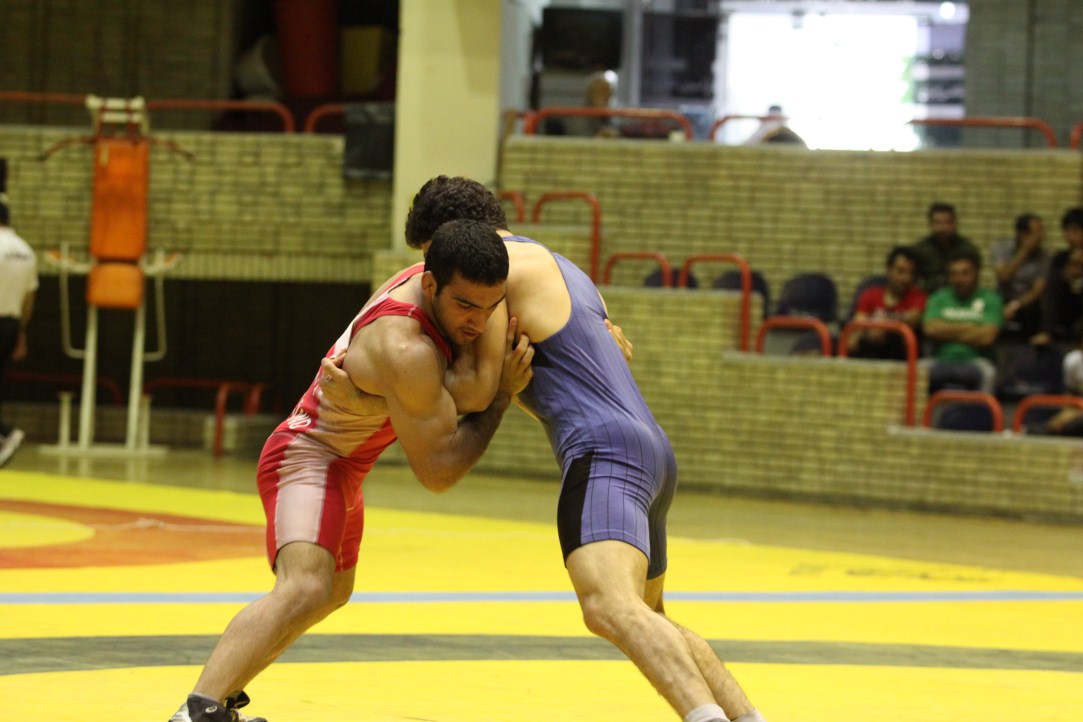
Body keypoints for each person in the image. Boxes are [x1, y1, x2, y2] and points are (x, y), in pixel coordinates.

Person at [387, 175, 765, 722]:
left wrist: (389, 376)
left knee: (607, 605)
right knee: (650, 618)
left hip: (604, 452)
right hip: (652, 453)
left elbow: (476, 389)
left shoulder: (502, 275)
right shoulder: (566, 270)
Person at [167, 219, 535, 722]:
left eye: (491, 308)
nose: (479, 322)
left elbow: (461, 389)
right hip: (309, 456)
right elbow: (439, 472)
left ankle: (222, 701)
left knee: (331, 594)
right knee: (304, 586)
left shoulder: (435, 287)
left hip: (345, 467)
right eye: (466, 306)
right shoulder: (405, 346)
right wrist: (502, 398)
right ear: (431, 285)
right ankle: (196, 711)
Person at [922, 249, 1004, 394]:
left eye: (965, 273)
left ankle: (982, 409)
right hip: (940, 360)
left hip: (977, 361)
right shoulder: (938, 298)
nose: (959, 279)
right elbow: (930, 329)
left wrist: (946, 331)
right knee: (915, 371)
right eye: (954, 274)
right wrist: (970, 327)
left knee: (989, 374)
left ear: (976, 274)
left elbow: (987, 337)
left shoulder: (991, 299)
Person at [0, 199, 37, 467]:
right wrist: (21, 330)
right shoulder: (26, 250)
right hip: (11, 324)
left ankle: (5, 432)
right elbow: (29, 297)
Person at [847, 245, 926, 360]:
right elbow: (858, 326)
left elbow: (913, 318)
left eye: (911, 273)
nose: (906, 278)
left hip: (900, 357)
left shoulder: (918, 296)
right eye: (901, 271)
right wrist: (867, 332)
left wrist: (883, 326)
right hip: (869, 353)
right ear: (888, 270)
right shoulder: (870, 294)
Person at [990, 212, 1049, 341]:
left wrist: (1015, 305)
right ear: (1023, 234)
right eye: (1037, 232)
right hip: (1003, 296)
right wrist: (1024, 251)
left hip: (1026, 301)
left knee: (1036, 310)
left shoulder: (1044, 256)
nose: (1042, 236)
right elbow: (1004, 277)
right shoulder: (1001, 247)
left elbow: (1037, 290)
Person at [909, 202, 982, 294]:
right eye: (938, 223)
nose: (943, 228)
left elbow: (974, 280)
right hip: (928, 297)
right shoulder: (920, 250)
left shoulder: (967, 250)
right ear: (930, 224)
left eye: (947, 222)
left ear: (955, 223)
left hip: (960, 297)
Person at [1037, 246, 1083, 344]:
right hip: (1064, 317)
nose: (1076, 269)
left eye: (1081, 265)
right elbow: (1052, 303)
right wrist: (1067, 281)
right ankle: (1047, 333)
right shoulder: (1058, 277)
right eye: (1073, 264)